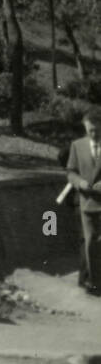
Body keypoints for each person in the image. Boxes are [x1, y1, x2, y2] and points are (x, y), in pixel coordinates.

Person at [64, 109, 101, 296]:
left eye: (97, 130)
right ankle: (93, 284)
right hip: (86, 202)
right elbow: (70, 172)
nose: (94, 134)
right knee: (90, 243)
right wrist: (80, 182)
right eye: (90, 130)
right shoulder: (77, 146)